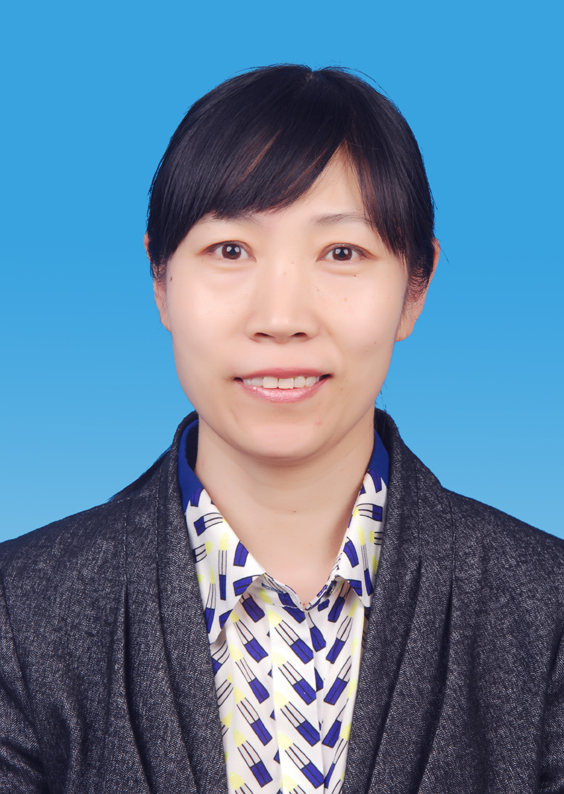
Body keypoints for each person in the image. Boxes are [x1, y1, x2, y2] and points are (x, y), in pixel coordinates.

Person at [0, 64, 562, 794]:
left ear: (414, 288)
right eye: (230, 251)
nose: (281, 317)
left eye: (342, 253)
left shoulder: (547, 608)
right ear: (160, 281)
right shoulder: (20, 611)